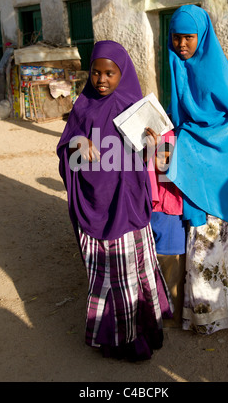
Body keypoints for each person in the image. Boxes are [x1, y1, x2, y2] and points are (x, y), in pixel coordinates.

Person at [57, 40, 173, 360]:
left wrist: (153, 144)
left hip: (129, 201)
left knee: (136, 269)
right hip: (97, 203)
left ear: (123, 73)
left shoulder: (133, 106)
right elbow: (66, 147)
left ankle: (147, 327)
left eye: (110, 73)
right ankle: (120, 339)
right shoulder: (83, 106)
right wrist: (77, 144)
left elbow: (155, 157)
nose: (102, 80)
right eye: (96, 73)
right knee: (112, 276)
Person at [166, 5, 228, 334]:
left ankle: (224, 313)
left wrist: (190, 142)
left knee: (212, 239)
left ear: (202, 37)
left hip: (212, 171)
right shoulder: (176, 64)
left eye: (189, 38)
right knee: (199, 242)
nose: (182, 44)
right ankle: (204, 313)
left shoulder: (215, 71)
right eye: (176, 38)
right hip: (192, 164)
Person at [147, 129, 187, 327]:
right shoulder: (169, 133)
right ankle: (165, 313)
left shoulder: (169, 134)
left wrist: (151, 151)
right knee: (165, 265)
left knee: (168, 266)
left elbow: (165, 166)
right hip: (161, 209)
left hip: (167, 208)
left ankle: (169, 316)